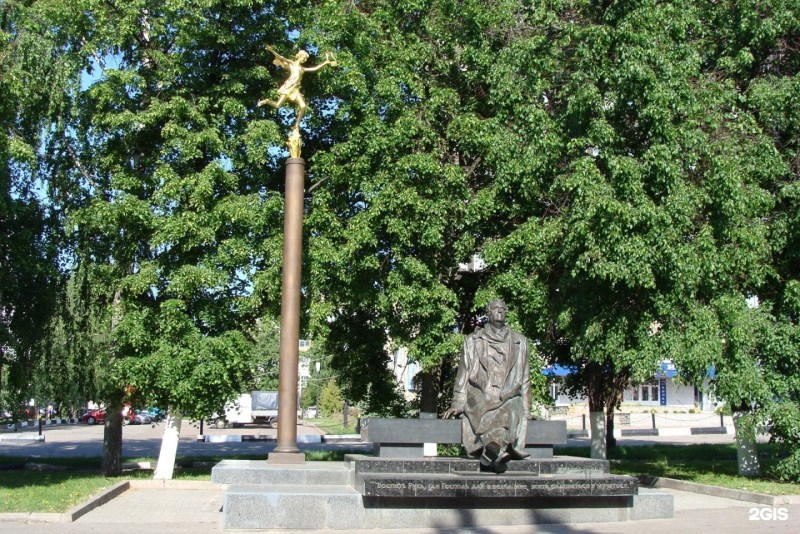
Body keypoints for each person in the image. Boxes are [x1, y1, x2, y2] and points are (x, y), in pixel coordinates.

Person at [443, 300, 531, 472]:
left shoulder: (520, 341)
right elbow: (463, 373)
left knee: (512, 408)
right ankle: (498, 451)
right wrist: (457, 403)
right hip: (480, 395)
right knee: (483, 406)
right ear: (488, 313)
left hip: (508, 395)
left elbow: (525, 378)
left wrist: (527, 410)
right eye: (495, 308)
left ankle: (492, 451)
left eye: (503, 308)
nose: (500, 311)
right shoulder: (472, 340)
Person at [257, 45, 337, 132]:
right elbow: (281, 57)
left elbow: (314, 69)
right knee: (277, 105)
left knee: (303, 106)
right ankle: (266, 101)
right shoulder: (292, 63)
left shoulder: (302, 69)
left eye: (305, 59)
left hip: (295, 90)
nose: (304, 60)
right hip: (288, 88)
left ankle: (296, 125)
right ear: (300, 56)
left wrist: (325, 63)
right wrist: (272, 51)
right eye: (304, 58)